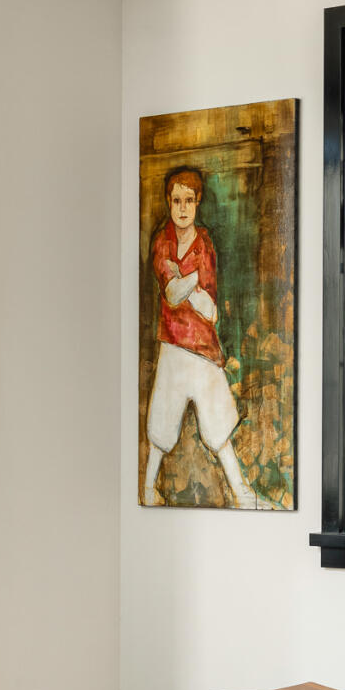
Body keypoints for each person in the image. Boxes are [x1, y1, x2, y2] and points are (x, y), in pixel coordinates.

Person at [143, 166, 267, 507]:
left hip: (203, 347)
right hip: (172, 344)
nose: (183, 208)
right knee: (162, 422)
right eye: (176, 200)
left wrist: (189, 284)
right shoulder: (163, 241)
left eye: (189, 201)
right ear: (169, 203)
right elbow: (171, 294)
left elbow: (209, 309)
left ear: (198, 204)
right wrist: (191, 281)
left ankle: (241, 493)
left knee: (218, 422)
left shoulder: (204, 244)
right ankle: (148, 490)